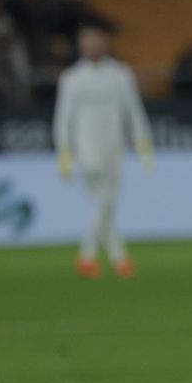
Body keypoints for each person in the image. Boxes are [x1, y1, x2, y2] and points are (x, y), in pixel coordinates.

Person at [53, 22, 154, 279]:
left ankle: (111, 259)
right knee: (106, 201)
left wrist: (143, 143)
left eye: (97, 41)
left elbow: (134, 110)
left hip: (115, 147)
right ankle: (95, 256)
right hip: (87, 149)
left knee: (108, 202)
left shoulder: (120, 74)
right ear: (81, 46)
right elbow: (63, 118)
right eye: (88, 42)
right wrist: (64, 152)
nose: (93, 46)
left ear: (105, 44)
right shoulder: (72, 79)